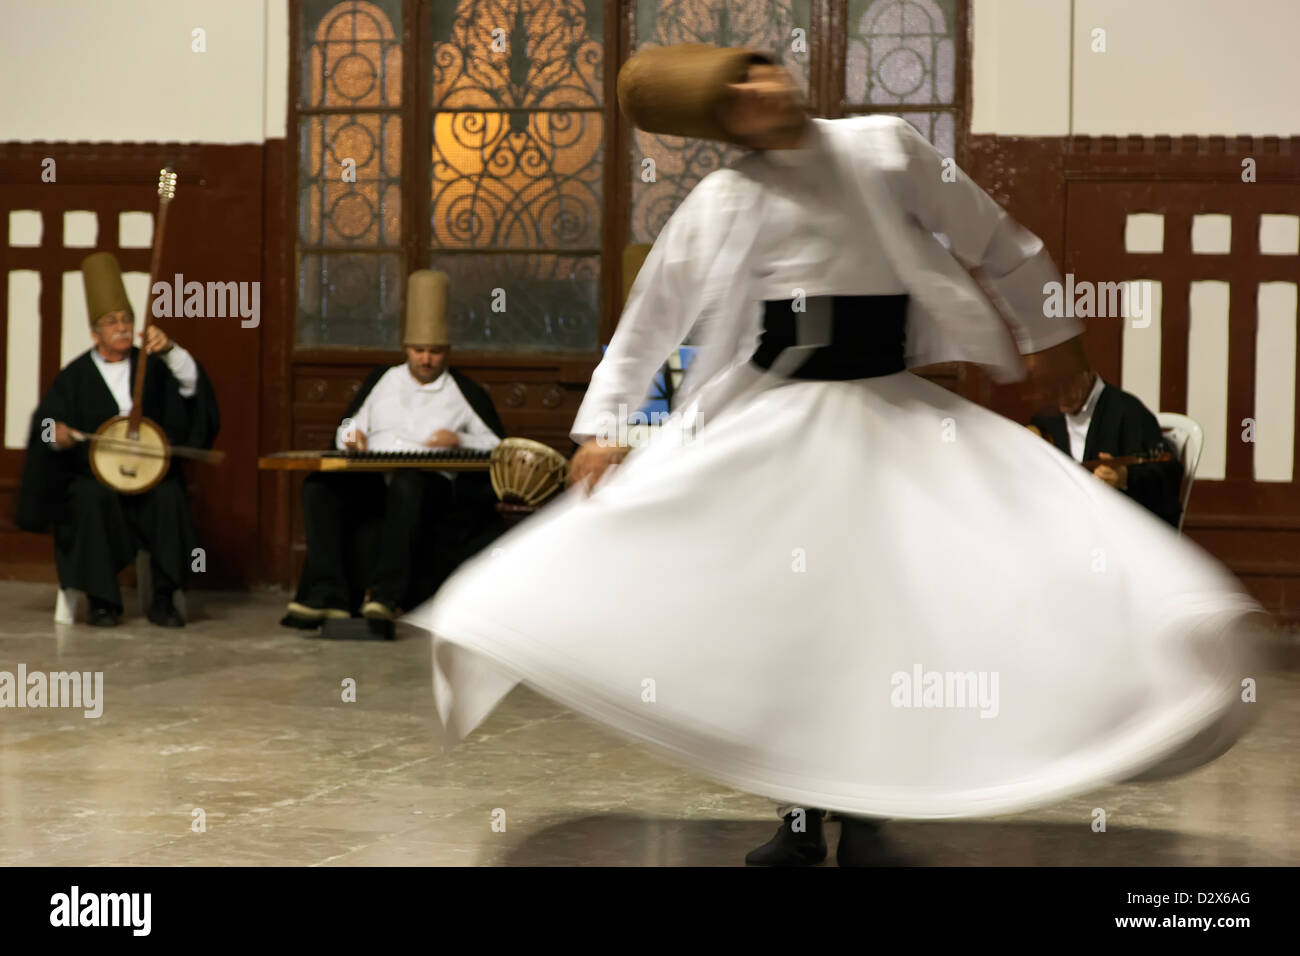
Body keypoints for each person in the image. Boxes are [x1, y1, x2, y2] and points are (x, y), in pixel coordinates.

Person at [407, 45, 1264, 866]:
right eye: (738, 95)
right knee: (794, 618)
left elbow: (1000, 242)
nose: (767, 90)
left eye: (763, 71)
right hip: (777, 424)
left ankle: (871, 806)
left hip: (891, 415)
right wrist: (604, 427)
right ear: (723, 126)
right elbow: (649, 323)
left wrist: (1054, 340)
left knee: (896, 609)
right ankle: (798, 809)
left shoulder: (883, 149)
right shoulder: (722, 201)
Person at [282, 270, 506, 628]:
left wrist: (460, 440)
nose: (426, 360)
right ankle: (329, 594)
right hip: (372, 478)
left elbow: (499, 447)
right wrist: (351, 437)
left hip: (431, 487)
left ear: (446, 352)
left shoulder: (465, 393)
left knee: (409, 482)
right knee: (318, 488)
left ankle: (384, 596)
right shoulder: (383, 380)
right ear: (406, 349)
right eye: (419, 351)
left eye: (434, 352)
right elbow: (349, 426)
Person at [15, 252, 220, 628]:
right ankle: (103, 601)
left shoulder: (153, 365)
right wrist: (56, 435)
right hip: (95, 479)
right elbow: (43, 426)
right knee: (88, 499)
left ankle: (164, 598)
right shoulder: (74, 377)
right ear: (95, 333)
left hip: (150, 477)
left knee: (169, 495)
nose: (122, 327)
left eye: (127, 320)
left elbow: (193, 391)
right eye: (112, 322)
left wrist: (172, 350)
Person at [1030, 365, 1184, 527]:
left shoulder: (1128, 411)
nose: (1058, 394)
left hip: (1116, 530)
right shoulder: (1048, 417)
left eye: (1065, 384)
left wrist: (1124, 478)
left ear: (1086, 372)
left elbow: (1168, 473)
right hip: (1061, 525)